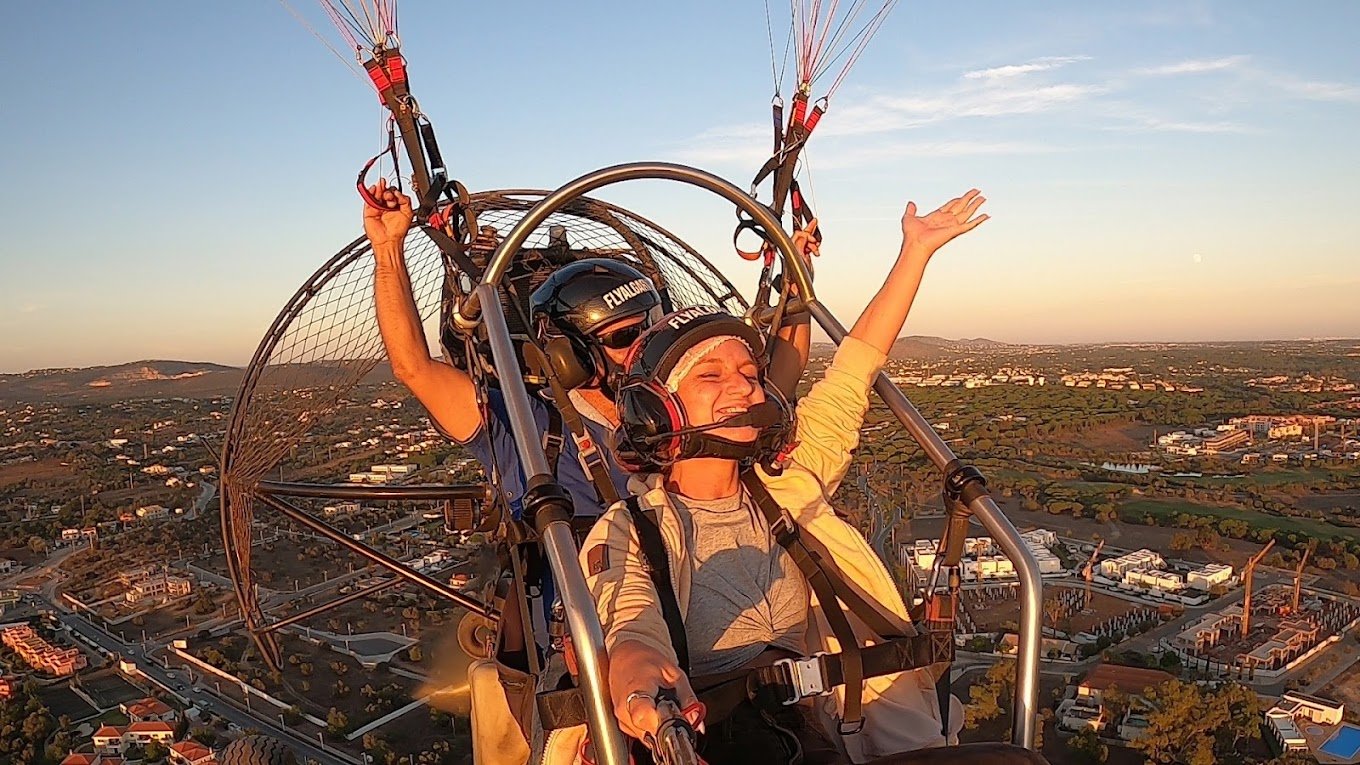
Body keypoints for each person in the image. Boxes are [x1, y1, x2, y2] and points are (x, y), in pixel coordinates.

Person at [563, 190, 991, 765]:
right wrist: (647, 694)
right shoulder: (630, 529)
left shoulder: (790, 480)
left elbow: (855, 368)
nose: (742, 386)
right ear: (660, 407)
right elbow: (631, 623)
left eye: (749, 372)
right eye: (711, 375)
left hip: (819, 729)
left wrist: (914, 253)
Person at [363, 178, 814, 520]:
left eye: (652, 326)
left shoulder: (693, 402)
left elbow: (779, 374)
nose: (644, 344)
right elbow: (415, 369)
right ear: (569, 357)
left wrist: (797, 281)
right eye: (622, 337)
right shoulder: (527, 428)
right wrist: (388, 250)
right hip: (594, 626)